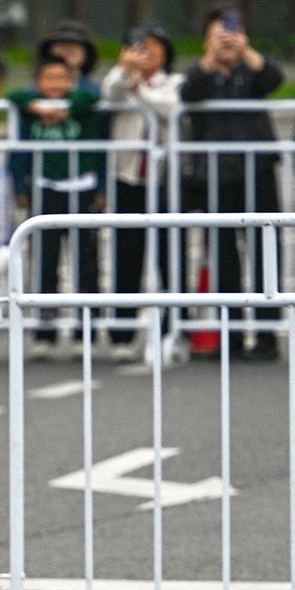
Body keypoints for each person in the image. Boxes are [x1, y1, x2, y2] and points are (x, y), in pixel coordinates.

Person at [181, 3, 286, 360]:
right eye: (219, 34)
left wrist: (246, 51)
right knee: (224, 256)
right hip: (215, 175)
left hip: (258, 171)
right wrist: (211, 59)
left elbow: (274, 80)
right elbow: (187, 93)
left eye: (232, 33)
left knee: (265, 253)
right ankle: (232, 335)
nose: (227, 40)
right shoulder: (202, 75)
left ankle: (268, 336)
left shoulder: (252, 72)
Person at [99, 22, 182, 361]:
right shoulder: (120, 78)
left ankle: (172, 331)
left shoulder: (174, 82)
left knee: (170, 258)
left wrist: (141, 91)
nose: (145, 52)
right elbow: (111, 94)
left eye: (153, 46)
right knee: (126, 257)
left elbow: (169, 107)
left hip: (166, 182)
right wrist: (126, 70)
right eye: (139, 46)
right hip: (128, 177)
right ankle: (122, 333)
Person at [9, 56, 100, 355]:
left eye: (62, 78)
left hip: (82, 189)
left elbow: (92, 96)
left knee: (85, 262)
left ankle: (85, 332)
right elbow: (14, 96)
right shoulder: (32, 108)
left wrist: (67, 109)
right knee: (45, 262)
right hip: (45, 189)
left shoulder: (82, 102)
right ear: (38, 82)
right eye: (48, 78)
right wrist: (35, 106)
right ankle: (45, 333)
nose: (55, 84)